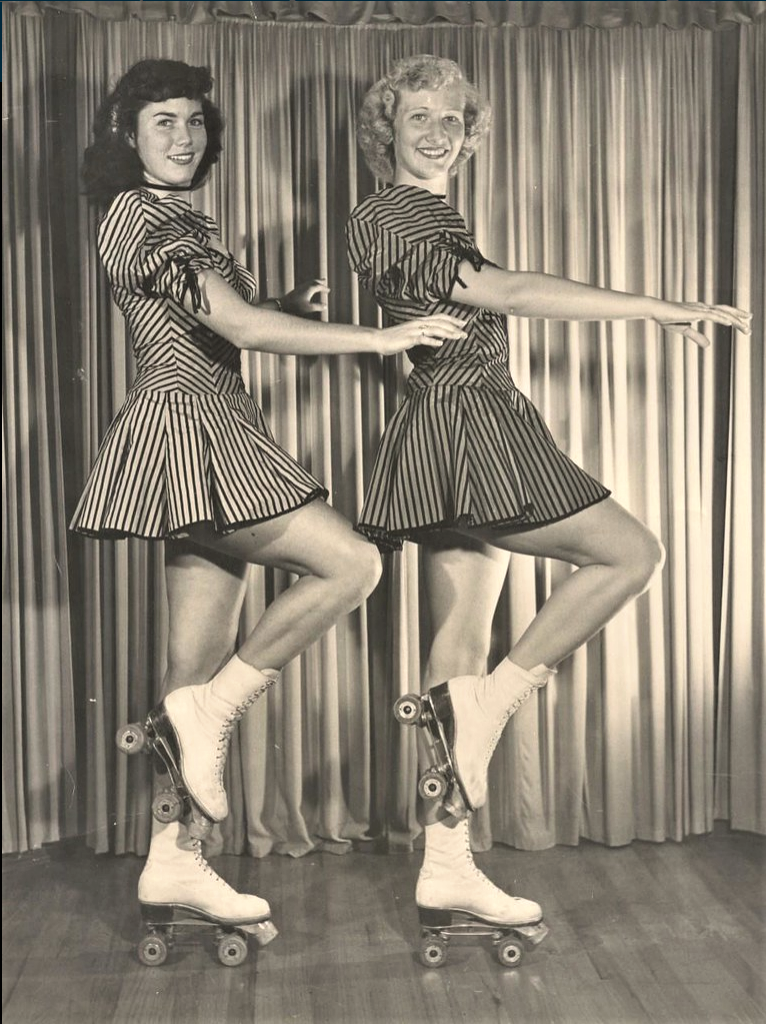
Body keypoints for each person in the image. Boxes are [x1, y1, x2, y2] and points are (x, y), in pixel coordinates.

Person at [346, 55, 752, 942]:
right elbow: (505, 292)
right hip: (472, 420)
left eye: (453, 119)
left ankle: (446, 867)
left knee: (455, 645)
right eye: (418, 115)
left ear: (470, 135)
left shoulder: (429, 212)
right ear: (387, 131)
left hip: (444, 425)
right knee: (631, 554)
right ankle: (495, 704)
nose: (437, 131)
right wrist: (653, 305)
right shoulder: (390, 210)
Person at [71, 58, 467, 948]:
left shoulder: (173, 216)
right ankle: (212, 722)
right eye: (161, 122)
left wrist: (283, 301)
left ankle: (174, 858)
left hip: (200, 428)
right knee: (352, 563)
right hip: (195, 428)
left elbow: (219, 314)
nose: (182, 137)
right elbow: (238, 330)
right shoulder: (138, 213)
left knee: (190, 675)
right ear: (126, 137)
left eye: (193, 122)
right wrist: (386, 332)